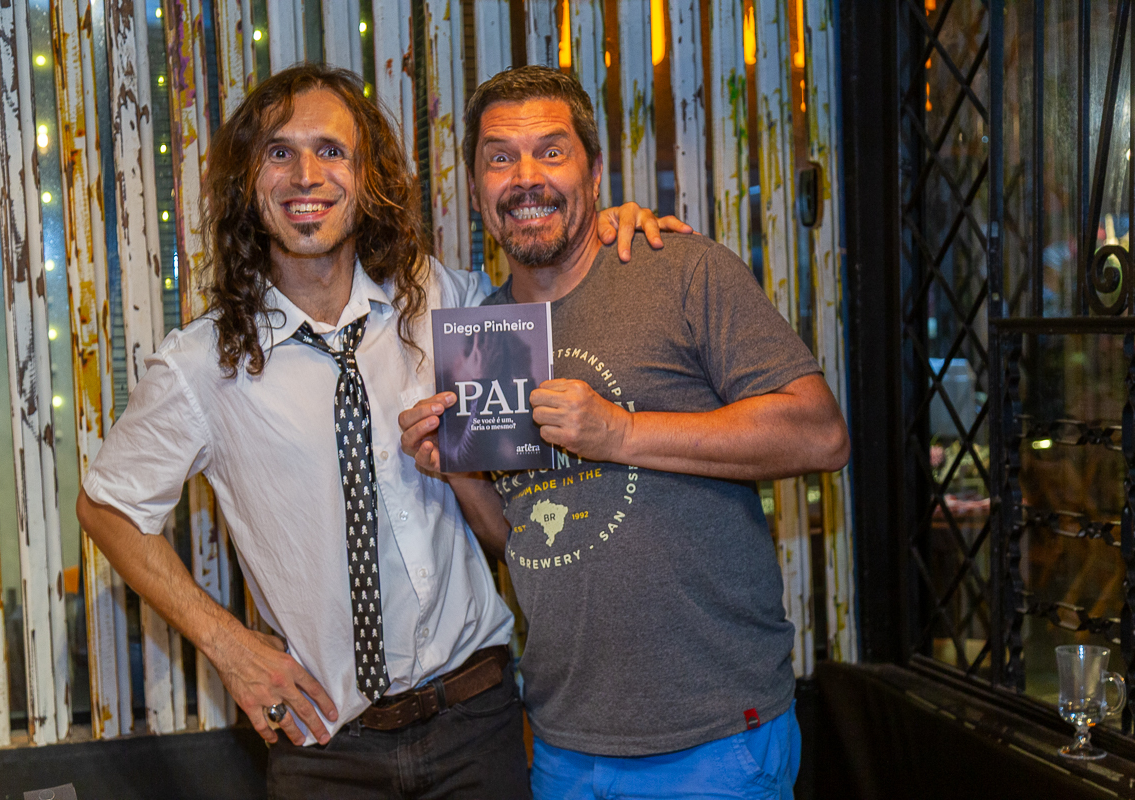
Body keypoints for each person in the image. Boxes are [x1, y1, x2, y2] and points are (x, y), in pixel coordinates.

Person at [75, 63, 685, 800]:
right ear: (248, 182)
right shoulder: (201, 365)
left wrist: (607, 223)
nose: (307, 175)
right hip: (325, 747)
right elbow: (107, 507)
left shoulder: (446, 303)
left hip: (478, 720)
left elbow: (553, 289)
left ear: (368, 179)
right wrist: (228, 645)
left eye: (332, 151)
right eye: (279, 152)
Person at [400, 66, 851, 800]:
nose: (525, 178)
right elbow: (521, 540)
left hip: (712, 738)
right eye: (499, 158)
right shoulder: (485, 334)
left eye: (551, 151)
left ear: (595, 169)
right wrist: (451, 467)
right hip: (565, 743)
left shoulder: (676, 270)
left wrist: (618, 433)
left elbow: (820, 434)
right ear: (475, 186)